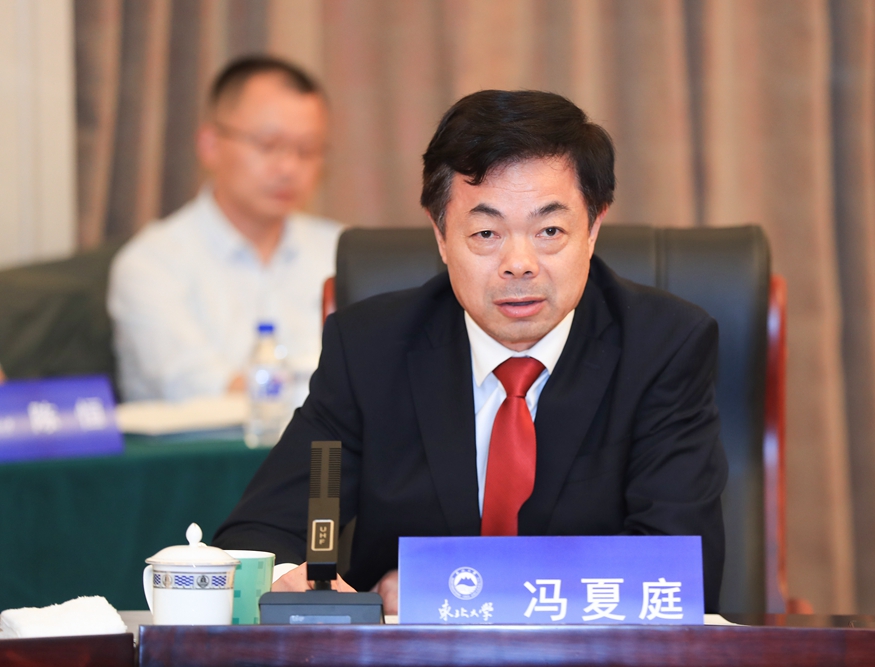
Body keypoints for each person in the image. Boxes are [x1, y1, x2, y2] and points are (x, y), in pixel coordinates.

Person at [214, 90, 728, 614]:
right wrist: (290, 577)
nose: (519, 263)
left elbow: (682, 572)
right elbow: (257, 535)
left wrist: (440, 588)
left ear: (593, 228)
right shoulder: (370, 348)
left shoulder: (663, 347)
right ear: (441, 235)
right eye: (486, 232)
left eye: (550, 230)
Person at [108, 55, 344, 402]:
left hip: (328, 439)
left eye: (307, 150)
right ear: (211, 145)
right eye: (268, 145)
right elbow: (203, 391)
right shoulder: (151, 264)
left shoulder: (342, 251)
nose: (289, 168)